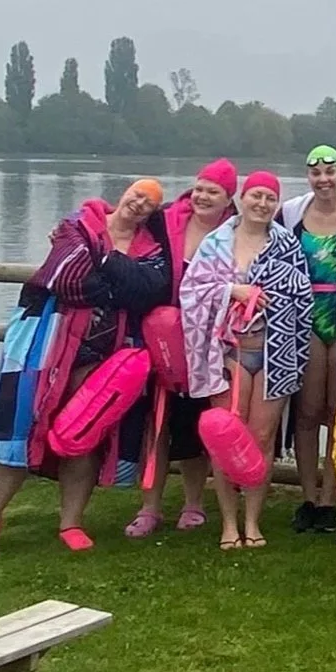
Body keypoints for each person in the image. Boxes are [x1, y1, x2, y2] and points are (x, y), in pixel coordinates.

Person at [0, 179, 172, 556]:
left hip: (104, 356)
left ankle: (71, 522)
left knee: (84, 436)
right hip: (42, 348)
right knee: (19, 430)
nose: (139, 203)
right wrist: (117, 285)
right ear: (124, 194)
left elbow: (147, 291)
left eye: (149, 203)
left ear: (152, 213)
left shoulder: (151, 250)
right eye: (137, 195)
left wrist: (103, 260)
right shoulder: (79, 223)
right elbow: (65, 278)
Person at [182, 171, 312, 550]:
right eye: (256, 195)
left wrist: (278, 308)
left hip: (274, 351)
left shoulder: (287, 245)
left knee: (261, 436)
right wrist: (231, 291)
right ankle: (228, 523)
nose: (262, 204)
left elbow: (301, 298)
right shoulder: (216, 243)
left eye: (270, 198)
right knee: (227, 434)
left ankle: (253, 521)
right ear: (242, 198)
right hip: (227, 351)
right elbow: (191, 292)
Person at [126, 159, 239, 539]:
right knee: (154, 426)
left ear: (228, 198)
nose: (204, 197)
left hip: (207, 343)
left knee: (197, 425)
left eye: (214, 191)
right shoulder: (165, 220)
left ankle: (193, 503)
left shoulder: (235, 232)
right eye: (201, 188)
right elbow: (119, 222)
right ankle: (149, 507)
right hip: (161, 336)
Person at [277, 145, 336, 535]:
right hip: (304, 318)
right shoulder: (291, 213)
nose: (323, 180)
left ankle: (331, 497)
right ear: (308, 177)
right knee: (307, 410)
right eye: (316, 173)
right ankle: (308, 496)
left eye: (330, 172)